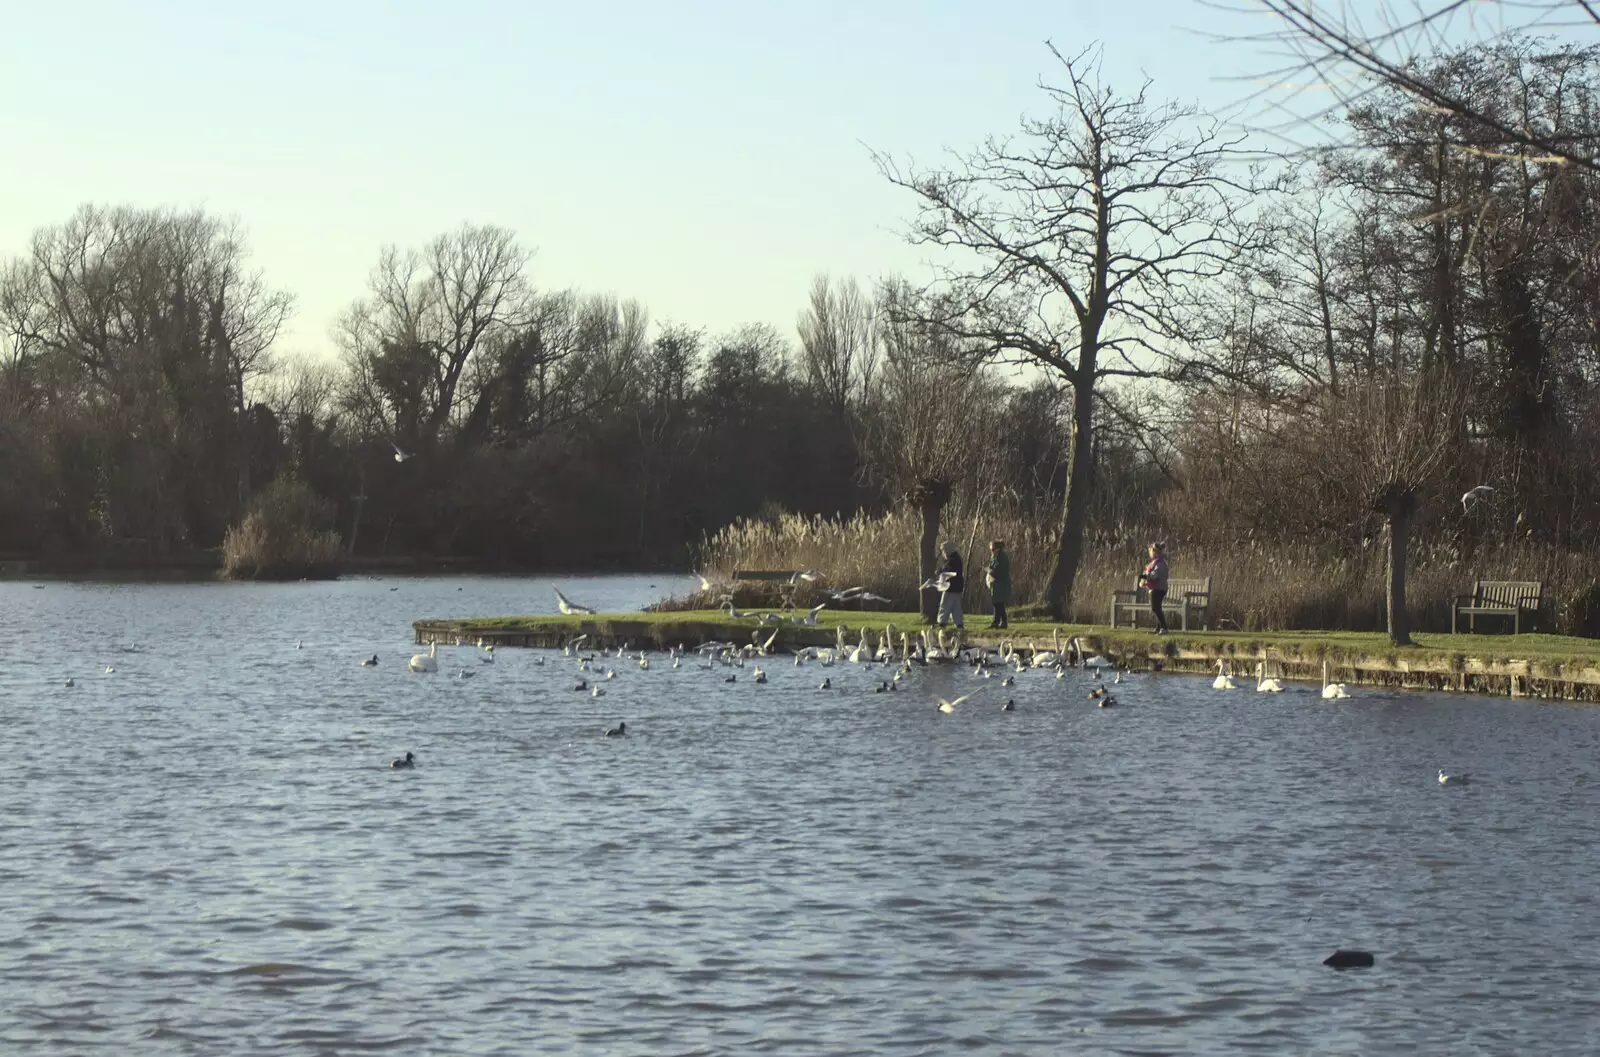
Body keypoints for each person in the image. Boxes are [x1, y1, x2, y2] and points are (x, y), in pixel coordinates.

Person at [1140, 541, 1169, 635]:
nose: (1151, 553)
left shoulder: (1160, 563)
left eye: (1152, 551)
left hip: (1159, 588)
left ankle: (1164, 628)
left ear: (1156, 552)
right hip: (1157, 588)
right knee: (1157, 608)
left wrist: (1146, 575)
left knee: (1155, 608)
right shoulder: (1156, 562)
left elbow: (1155, 575)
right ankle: (1159, 628)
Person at [936, 541, 965, 629]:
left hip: (950, 587)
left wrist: (940, 572)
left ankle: (942, 623)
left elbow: (948, 572)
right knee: (956, 607)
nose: (943, 553)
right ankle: (959, 624)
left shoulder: (951, 560)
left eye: (943, 551)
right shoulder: (956, 558)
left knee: (944, 605)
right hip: (957, 587)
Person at [985, 539, 1011, 629]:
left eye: (992, 550)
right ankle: (1001, 622)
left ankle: (998, 622)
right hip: (996, 583)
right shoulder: (994, 557)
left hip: (1001, 583)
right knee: (997, 603)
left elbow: (999, 571)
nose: (991, 552)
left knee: (998, 603)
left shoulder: (1002, 558)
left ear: (997, 549)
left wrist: (990, 571)